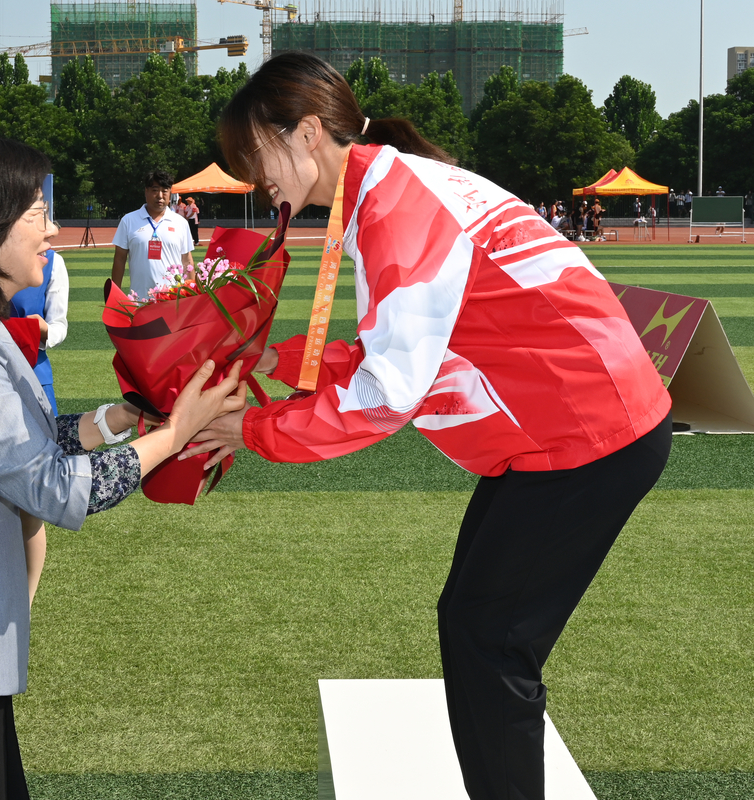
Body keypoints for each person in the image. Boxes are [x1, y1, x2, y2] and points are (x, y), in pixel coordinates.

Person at [203, 52, 672, 800]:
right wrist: (262, 367)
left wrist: (255, 429)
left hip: (589, 435)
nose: (250, 178)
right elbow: (380, 352)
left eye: (252, 154)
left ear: (307, 133)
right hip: (571, 433)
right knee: (477, 629)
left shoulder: (396, 205)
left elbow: (387, 393)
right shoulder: (386, 193)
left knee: (488, 640)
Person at [0, 134, 245, 800]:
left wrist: (117, 420)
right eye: (35, 212)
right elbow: (52, 490)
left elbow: (10, 448)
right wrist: (175, 435)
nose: (51, 229)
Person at [9, 219, 69, 414]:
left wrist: (44, 330)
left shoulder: (52, 262)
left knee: (48, 440)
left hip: (34, 371)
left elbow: (58, 325)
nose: (52, 229)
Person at [111, 170, 195, 300]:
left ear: (170, 193)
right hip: (140, 300)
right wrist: (114, 296)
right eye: (155, 190)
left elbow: (187, 261)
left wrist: (192, 296)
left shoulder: (181, 223)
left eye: (165, 190)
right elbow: (119, 259)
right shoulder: (128, 220)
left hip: (173, 300)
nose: (160, 196)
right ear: (146, 191)